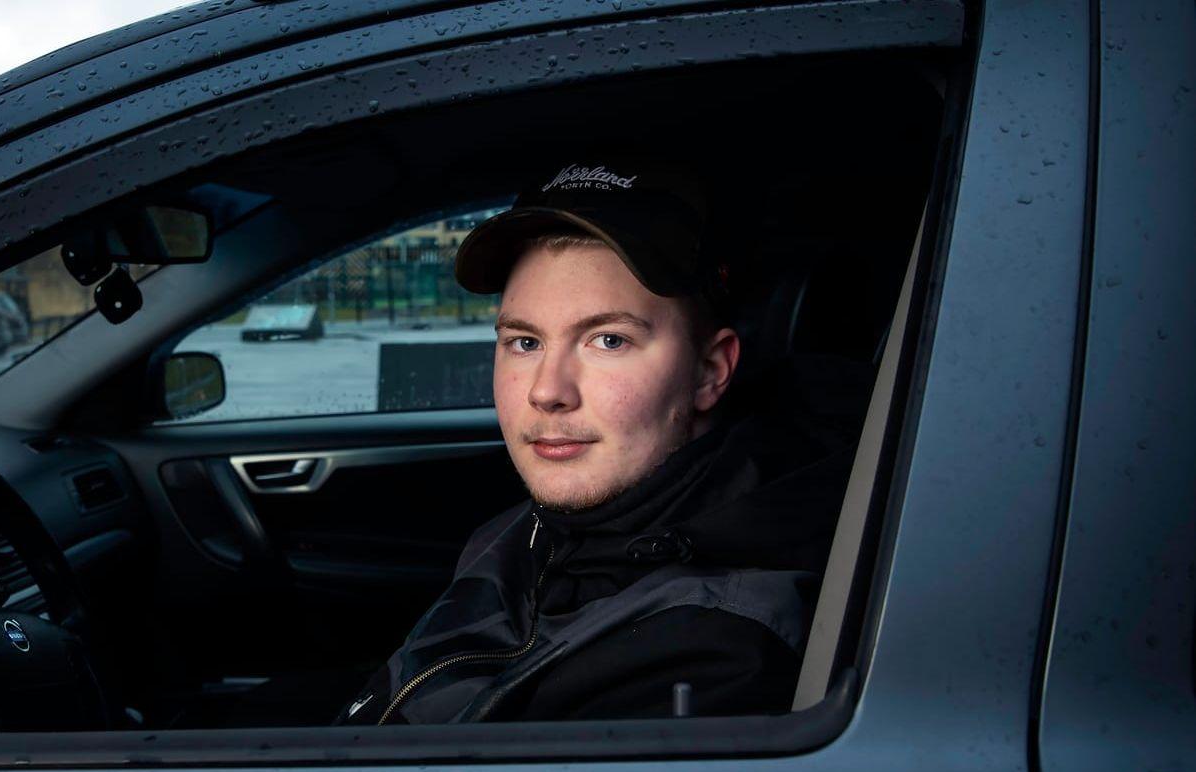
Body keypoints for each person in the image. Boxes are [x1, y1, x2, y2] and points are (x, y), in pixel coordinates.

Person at [339, 158, 866, 725]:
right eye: (524, 342)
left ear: (710, 372)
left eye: (608, 340)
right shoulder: (536, 529)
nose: (547, 391)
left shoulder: (711, 649)